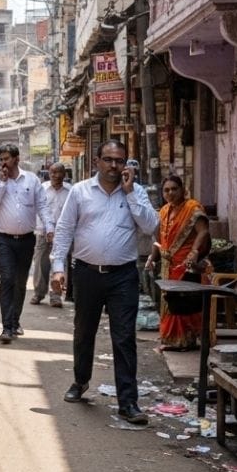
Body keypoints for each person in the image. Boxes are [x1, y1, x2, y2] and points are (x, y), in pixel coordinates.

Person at [50, 140, 159, 426]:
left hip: (123, 276)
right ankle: (80, 380)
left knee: (124, 338)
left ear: (127, 164)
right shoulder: (80, 192)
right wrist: (58, 267)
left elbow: (151, 226)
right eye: (108, 159)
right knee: (84, 331)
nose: (114, 166)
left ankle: (128, 402)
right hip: (86, 273)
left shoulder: (136, 193)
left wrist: (130, 194)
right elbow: (64, 230)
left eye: (120, 160)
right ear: (97, 161)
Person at [0, 144, 52, 344]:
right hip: (3, 240)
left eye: (6, 159)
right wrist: (1, 184)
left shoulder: (32, 180)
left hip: (26, 239)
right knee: (7, 278)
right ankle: (7, 327)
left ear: (16, 159)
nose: (3, 163)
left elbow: (42, 206)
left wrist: (49, 228)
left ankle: (15, 322)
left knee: (19, 281)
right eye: (0, 160)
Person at [147, 175, 211, 351]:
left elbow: (203, 232)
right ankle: (170, 339)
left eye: (174, 189)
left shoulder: (192, 208)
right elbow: (159, 239)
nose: (170, 193)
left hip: (186, 265)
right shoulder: (164, 211)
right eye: (166, 190)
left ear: (183, 189)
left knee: (183, 302)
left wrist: (194, 252)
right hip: (168, 265)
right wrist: (152, 258)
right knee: (169, 303)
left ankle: (184, 340)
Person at [31, 162, 71, 308]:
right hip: (42, 232)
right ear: (48, 173)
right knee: (41, 264)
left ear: (64, 174)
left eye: (59, 172)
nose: (56, 175)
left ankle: (56, 296)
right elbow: (37, 209)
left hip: (61, 235)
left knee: (59, 265)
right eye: (53, 172)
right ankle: (39, 293)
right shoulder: (42, 189)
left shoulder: (70, 191)